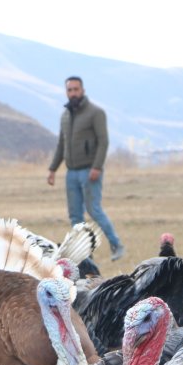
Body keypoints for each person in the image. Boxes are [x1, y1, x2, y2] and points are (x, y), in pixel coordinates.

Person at [47, 76, 125, 261]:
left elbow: (103, 141)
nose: (73, 93)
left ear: (82, 90)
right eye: (69, 90)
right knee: (75, 216)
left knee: (94, 210)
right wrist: (52, 169)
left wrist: (97, 166)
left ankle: (116, 244)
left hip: (90, 171)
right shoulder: (65, 115)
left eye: (76, 89)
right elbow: (61, 144)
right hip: (71, 172)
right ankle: (85, 256)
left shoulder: (95, 113)